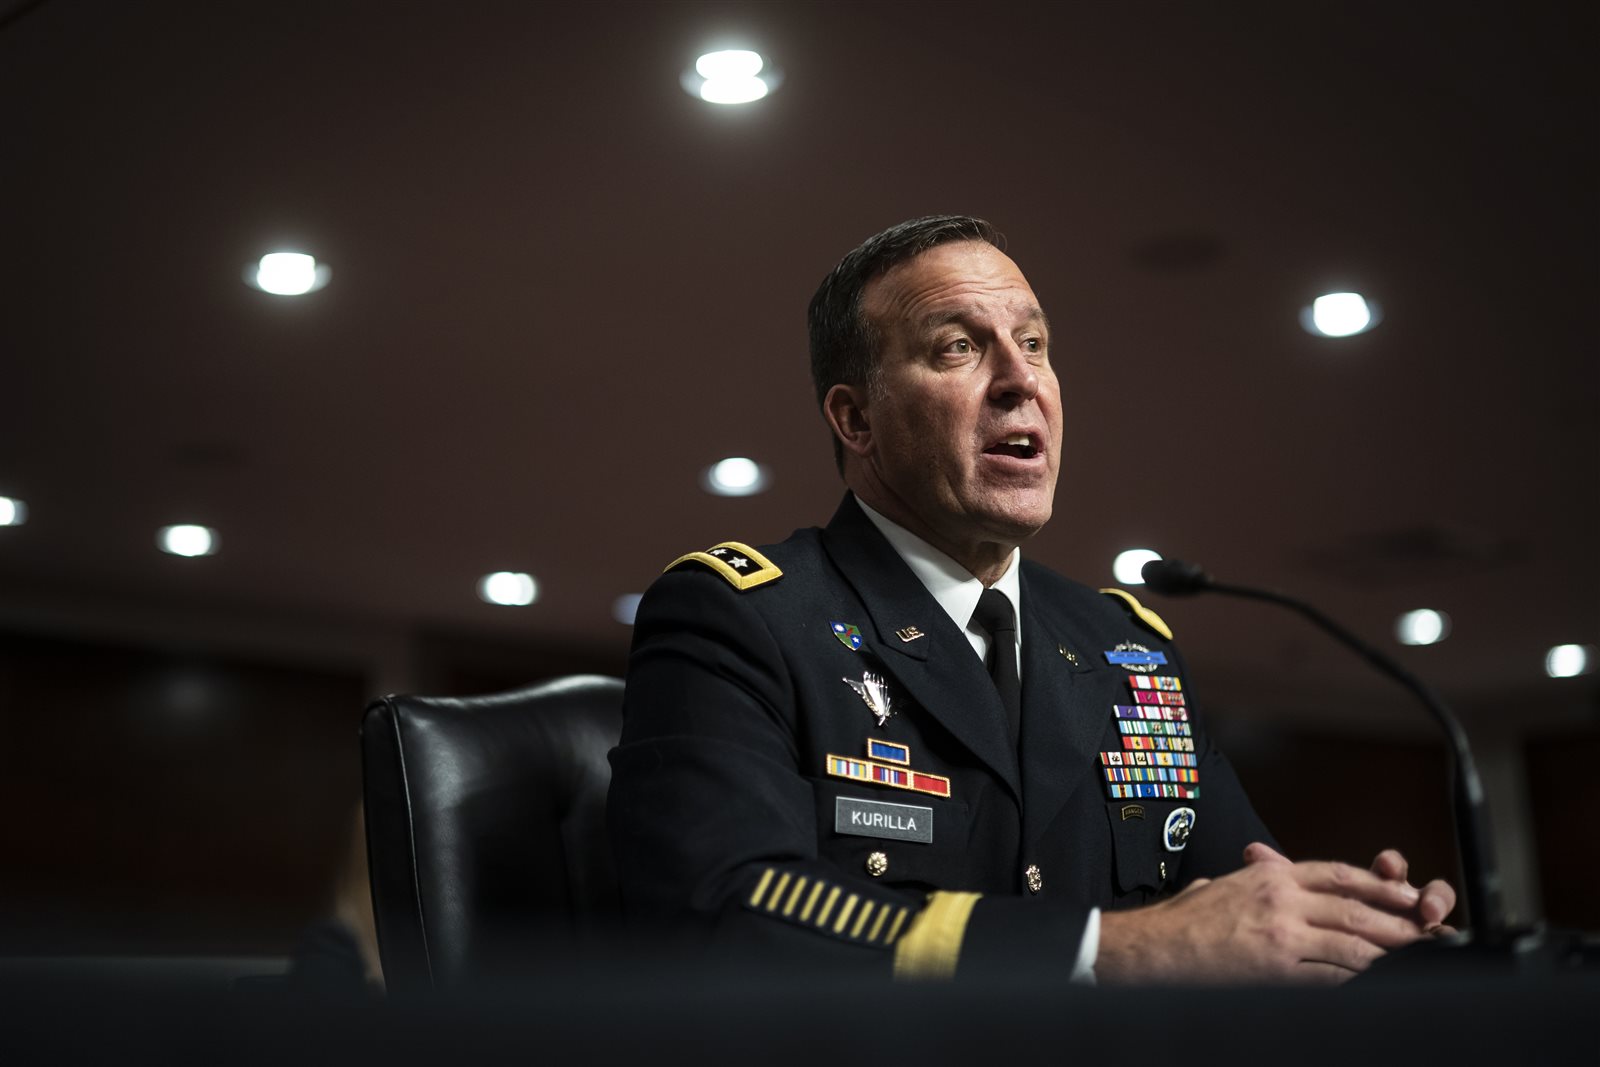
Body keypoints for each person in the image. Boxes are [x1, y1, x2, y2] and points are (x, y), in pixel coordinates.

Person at [607, 215, 1454, 983]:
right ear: (856, 419)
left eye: (1035, 343)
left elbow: (1247, 909)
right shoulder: (744, 616)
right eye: (958, 347)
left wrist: (1361, 931)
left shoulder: (1130, 649)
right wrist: (1111, 948)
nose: (1022, 379)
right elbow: (725, 908)